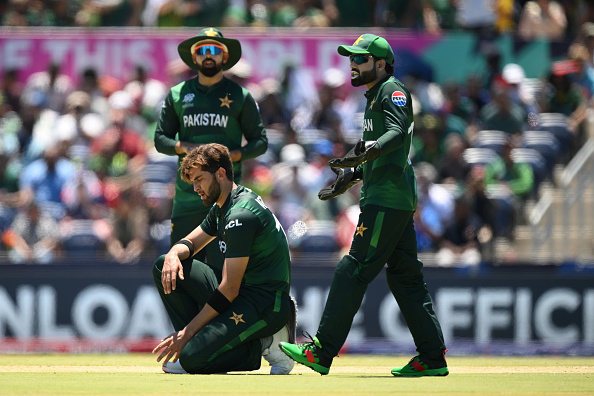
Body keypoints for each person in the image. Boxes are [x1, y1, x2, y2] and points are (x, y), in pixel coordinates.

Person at [279, 34, 448, 377]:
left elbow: (398, 134)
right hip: (388, 196)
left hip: (386, 200)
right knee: (405, 278)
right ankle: (431, 356)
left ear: (381, 64)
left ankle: (322, 350)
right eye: (352, 58)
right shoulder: (373, 98)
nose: (353, 64)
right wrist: (352, 175)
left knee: (351, 268)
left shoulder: (392, 90)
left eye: (361, 59)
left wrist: (367, 154)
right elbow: (379, 149)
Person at [151, 143, 295, 375]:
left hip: (265, 304)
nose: (196, 188)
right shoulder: (223, 206)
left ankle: (266, 343)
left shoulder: (240, 215)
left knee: (192, 360)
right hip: (243, 294)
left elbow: (228, 289)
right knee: (163, 266)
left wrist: (187, 332)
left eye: (200, 179)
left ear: (221, 174)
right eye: (193, 182)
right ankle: (197, 345)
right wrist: (173, 254)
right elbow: (191, 243)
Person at [154, 27, 268, 278]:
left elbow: (260, 142)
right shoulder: (177, 94)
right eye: (202, 50)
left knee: (223, 276)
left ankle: (220, 320)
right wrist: (185, 148)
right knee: (181, 275)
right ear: (194, 58)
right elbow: (160, 140)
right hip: (187, 198)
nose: (208, 55)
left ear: (224, 58)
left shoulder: (241, 96)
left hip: (226, 200)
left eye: (215, 50)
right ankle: (190, 320)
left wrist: (231, 156)